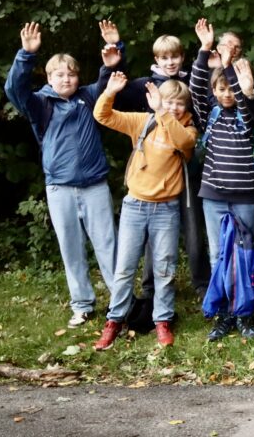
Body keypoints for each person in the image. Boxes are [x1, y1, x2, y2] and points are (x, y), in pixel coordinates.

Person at [4, 22, 121, 328]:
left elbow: (109, 84)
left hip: (94, 185)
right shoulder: (39, 104)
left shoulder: (89, 97)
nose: (66, 78)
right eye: (59, 74)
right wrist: (26, 55)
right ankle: (82, 304)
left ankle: (120, 303)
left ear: (77, 76)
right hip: (59, 188)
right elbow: (13, 89)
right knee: (71, 248)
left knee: (108, 245)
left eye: (70, 73)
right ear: (49, 78)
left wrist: (114, 54)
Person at [92, 76, 197, 349]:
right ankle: (114, 320)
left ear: (185, 107)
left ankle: (162, 321)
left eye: (178, 103)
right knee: (125, 268)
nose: (173, 107)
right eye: (168, 101)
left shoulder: (188, 129)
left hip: (167, 209)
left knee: (165, 269)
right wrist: (110, 92)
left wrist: (162, 111)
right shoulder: (143, 122)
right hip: (134, 206)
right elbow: (102, 115)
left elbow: (183, 143)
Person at [191, 19, 254, 340]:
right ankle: (223, 314)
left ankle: (244, 314)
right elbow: (196, 88)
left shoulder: (246, 116)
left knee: (244, 253)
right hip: (214, 196)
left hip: (245, 194)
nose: (227, 93)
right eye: (220, 89)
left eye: (230, 88)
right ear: (214, 92)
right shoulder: (210, 115)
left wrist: (231, 69)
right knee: (219, 255)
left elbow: (244, 101)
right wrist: (205, 50)